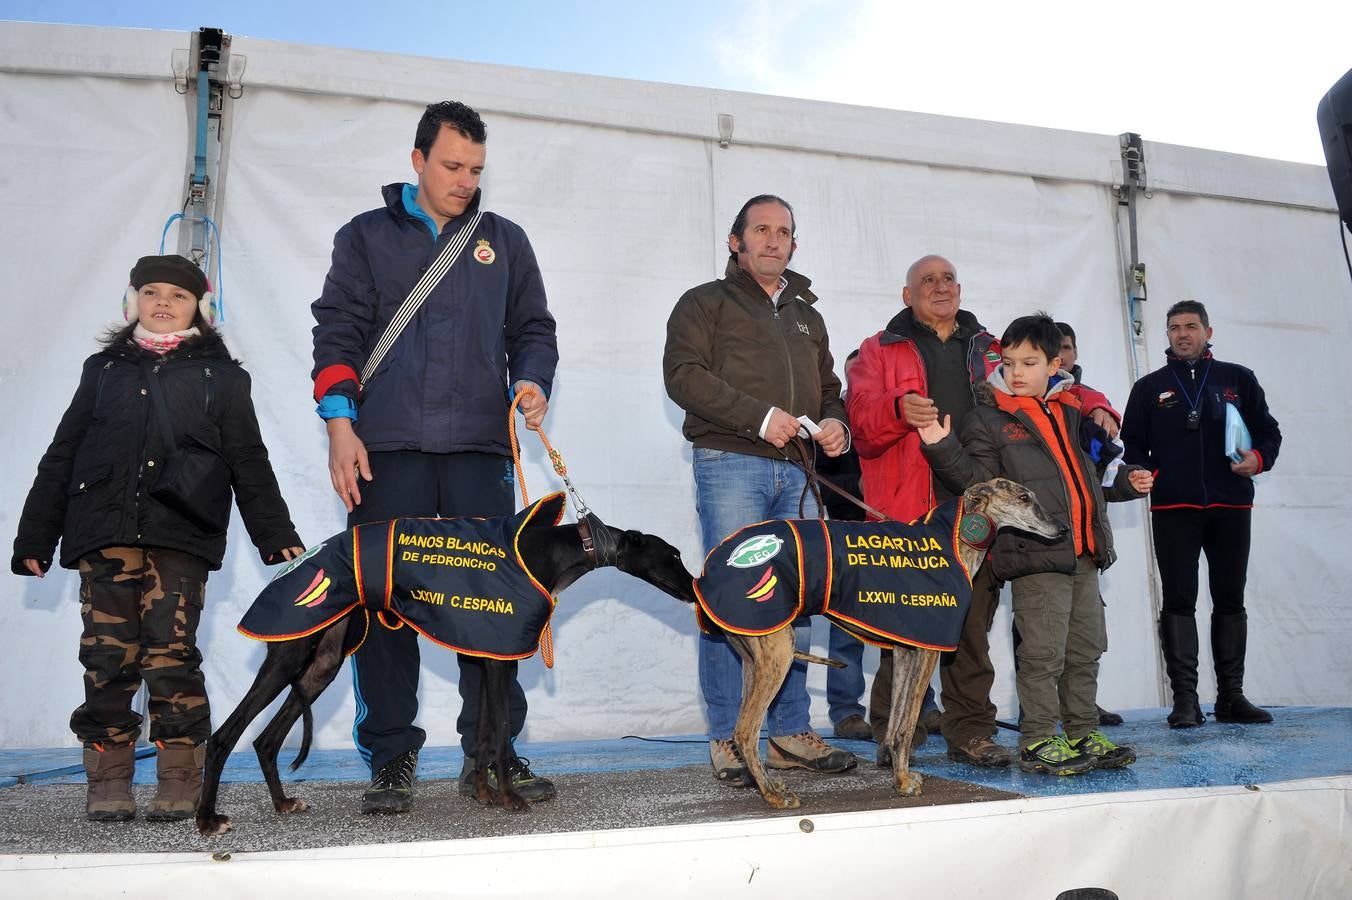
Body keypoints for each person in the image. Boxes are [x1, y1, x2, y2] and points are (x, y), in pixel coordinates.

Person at [310, 100, 558, 813]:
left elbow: (533, 327)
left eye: (476, 169)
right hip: (386, 449)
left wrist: (532, 378)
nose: (463, 179)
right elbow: (338, 334)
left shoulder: (504, 240)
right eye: (452, 165)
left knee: (492, 606)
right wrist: (339, 425)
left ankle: (494, 750)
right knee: (385, 609)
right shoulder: (364, 237)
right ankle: (391, 759)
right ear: (417, 159)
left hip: (481, 449)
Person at [12, 254, 303, 821]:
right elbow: (62, 453)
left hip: (180, 531)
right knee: (106, 656)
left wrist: (276, 534)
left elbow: (248, 459)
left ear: (201, 308)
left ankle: (179, 776)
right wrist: (35, 536)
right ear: (132, 302)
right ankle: (109, 779)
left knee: (171, 655)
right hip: (105, 528)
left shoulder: (224, 376)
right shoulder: (103, 370)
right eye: (151, 292)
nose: (163, 303)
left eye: (178, 294)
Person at [664, 194, 857, 784]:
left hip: (800, 471)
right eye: (762, 230)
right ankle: (729, 735)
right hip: (731, 463)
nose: (774, 240)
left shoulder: (808, 315)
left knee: (793, 600)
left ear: (794, 243)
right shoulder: (704, 303)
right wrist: (758, 417)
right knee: (732, 599)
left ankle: (789, 732)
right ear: (736, 242)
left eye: (784, 231)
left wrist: (836, 425)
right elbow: (683, 377)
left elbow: (829, 389)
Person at [918, 312, 1153, 774]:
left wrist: (1128, 481)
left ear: (1055, 363)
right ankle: (1039, 738)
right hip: (1036, 556)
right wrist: (940, 446)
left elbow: (1097, 472)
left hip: (1085, 551)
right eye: (1009, 362)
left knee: (1085, 648)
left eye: (1029, 362)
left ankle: (1082, 731)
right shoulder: (987, 419)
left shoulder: (1072, 413)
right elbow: (978, 486)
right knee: (1043, 652)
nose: (1017, 372)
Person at [847, 255, 1007, 767]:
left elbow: (1050, 379)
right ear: (906, 294)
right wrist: (898, 410)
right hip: (905, 509)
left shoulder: (992, 349)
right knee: (904, 626)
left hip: (975, 509)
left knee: (971, 626)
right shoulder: (876, 350)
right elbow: (861, 428)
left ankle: (972, 732)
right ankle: (896, 734)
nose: (940, 287)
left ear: (959, 289)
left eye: (948, 279)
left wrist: (1095, 404)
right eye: (927, 280)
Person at [1121, 300, 1281, 728]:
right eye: (1174, 328)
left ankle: (1231, 697)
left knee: (1230, 599)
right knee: (1179, 601)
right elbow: (1132, 444)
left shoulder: (1237, 379)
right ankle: (1185, 701)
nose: (1182, 334)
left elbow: (1268, 431)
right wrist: (1143, 471)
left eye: (1191, 326)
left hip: (1231, 506)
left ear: (1208, 331)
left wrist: (1258, 460)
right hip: (1174, 508)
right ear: (1168, 335)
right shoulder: (1149, 387)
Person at [820, 350, 939, 742]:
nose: (860, 385)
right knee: (846, 627)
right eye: (854, 379)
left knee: (914, 622)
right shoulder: (837, 425)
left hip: (890, 534)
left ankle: (925, 703)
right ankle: (846, 711)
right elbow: (826, 480)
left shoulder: (893, 421)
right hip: (848, 535)